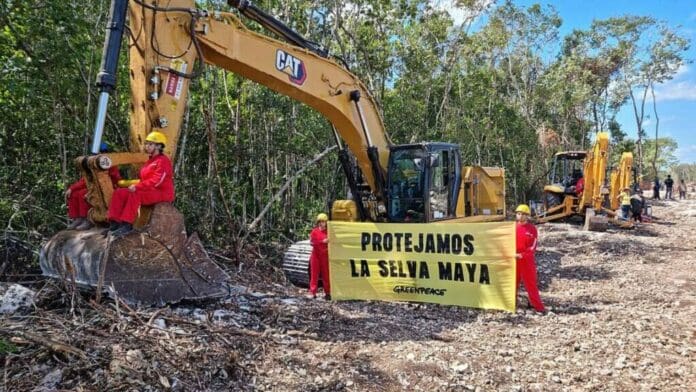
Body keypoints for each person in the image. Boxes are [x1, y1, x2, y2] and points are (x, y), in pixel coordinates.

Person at [107, 131, 175, 236]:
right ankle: (114, 223)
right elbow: (144, 178)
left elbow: (157, 181)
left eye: (150, 144)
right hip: (149, 189)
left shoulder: (163, 161)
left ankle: (127, 225)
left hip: (161, 192)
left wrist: (138, 186)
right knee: (119, 192)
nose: (146, 146)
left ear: (158, 146)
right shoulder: (150, 160)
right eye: (146, 143)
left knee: (135, 194)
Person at [65, 142, 121, 230]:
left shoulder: (108, 162)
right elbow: (86, 180)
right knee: (74, 193)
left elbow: (115, 178)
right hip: (95, 186)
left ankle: (88, 219)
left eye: (101, 152)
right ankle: (79, 218)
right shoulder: (93, 163)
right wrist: (72, 188)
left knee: (84, 194)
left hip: (107, 188)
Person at [514, 204, 545, 313]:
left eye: (523, 214)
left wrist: (522, 255)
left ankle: (539, 307)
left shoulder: (532, 229)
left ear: (527, 216)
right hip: (513, 260)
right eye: (518, 214)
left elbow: (532, 246)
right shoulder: (512, 228)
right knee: (512, 283)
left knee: (531, 284)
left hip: (526, 260)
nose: (520, 216)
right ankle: (511, 304)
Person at [308, 213, 331, 300]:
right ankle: (312, 292)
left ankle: (328, 293)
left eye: (323, 222)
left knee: (326, 275)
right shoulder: (315, 231)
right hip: (315, 256)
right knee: (314, 275)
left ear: (326, 222)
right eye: (320, 221)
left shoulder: (329, 232)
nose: (322, 223)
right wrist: (322, 241)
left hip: (325, 256)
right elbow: (311, 242)